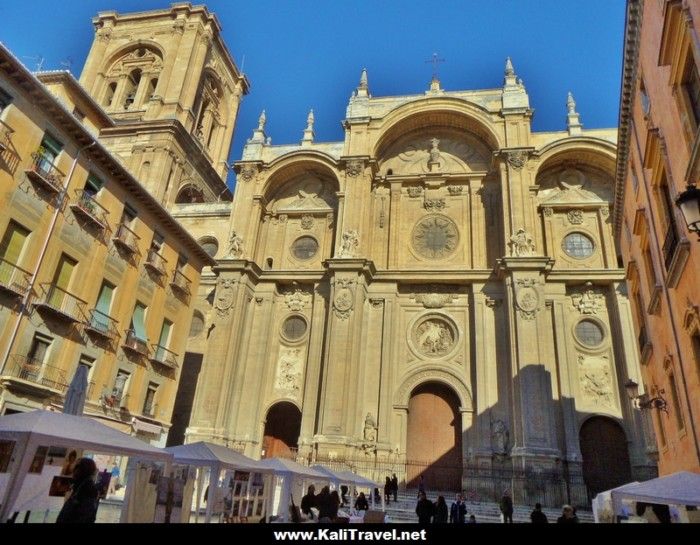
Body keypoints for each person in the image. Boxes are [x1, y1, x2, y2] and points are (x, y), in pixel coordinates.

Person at [56, 457, 100, 524]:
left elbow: (84, 515)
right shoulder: (79, 484)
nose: (73, 471)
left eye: (77, 467)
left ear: (83, 470)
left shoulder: (88, 488)